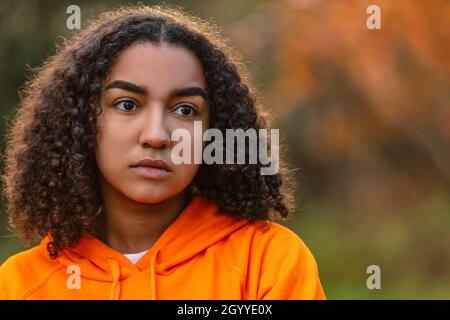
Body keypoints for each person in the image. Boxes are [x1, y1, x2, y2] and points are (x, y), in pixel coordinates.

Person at [0, 5, 325, 300]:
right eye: (127, 105)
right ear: (80, 121)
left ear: (213, 132)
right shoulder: (19, 284)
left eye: (185, 110)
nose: (156, 135)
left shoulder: (268, 263)